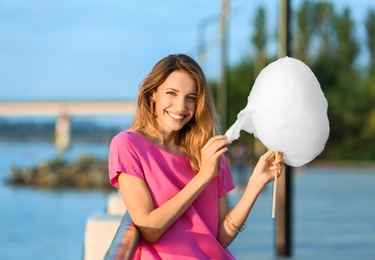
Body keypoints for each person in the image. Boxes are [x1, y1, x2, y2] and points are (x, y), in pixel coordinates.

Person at [108, 54, 285, 259]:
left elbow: (221, 237)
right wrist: (203, 177)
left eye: (190, 97)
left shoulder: (209, 152)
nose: (181, 107)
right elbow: (149, 229)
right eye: (171, 93)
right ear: (152, 95)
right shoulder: (128, 145)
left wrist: (256, 182)